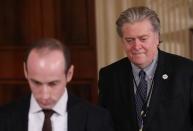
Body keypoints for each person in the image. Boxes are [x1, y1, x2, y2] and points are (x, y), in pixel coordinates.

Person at [98, 6, 193, 131]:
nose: (136, 46)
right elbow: (105, 124)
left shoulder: (186, 71)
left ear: (157, 38)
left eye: (143, 39)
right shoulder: (109, 75)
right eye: (129, 40)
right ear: (122, 41)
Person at [0, 38, 114, 131]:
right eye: (36, 83)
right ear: (25, 71)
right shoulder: (4, 118)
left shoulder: (97, 119)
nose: (44, 95)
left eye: (53, 84)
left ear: (69, 74)